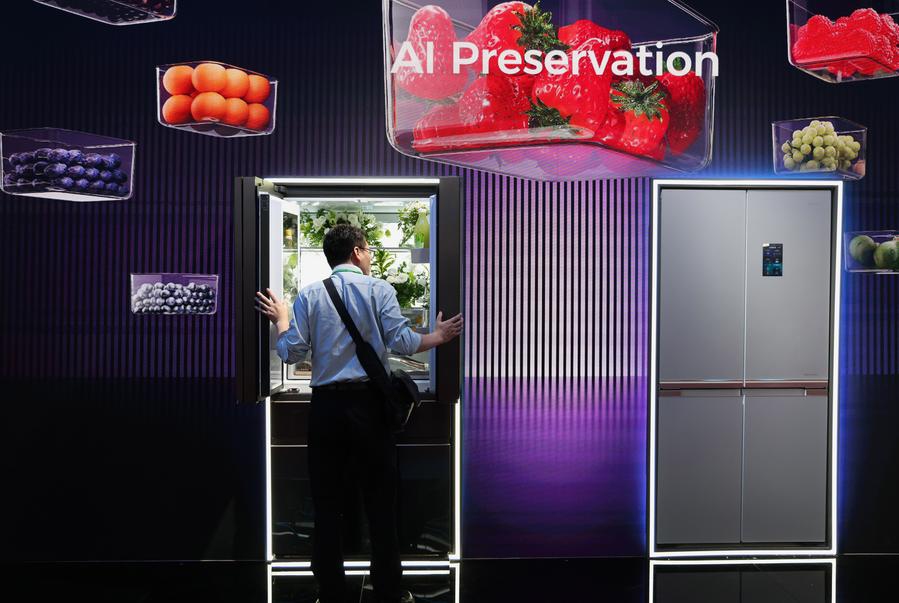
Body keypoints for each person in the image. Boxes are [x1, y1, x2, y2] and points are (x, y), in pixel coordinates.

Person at [255, 223, 463, 603]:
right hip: (369, 407)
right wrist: (439, 336)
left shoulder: (310, 294)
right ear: (356, 252)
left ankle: (330, 589)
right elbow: (402, 341)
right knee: (381, 500)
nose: (368, 256)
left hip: (327, 409)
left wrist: (280, 319)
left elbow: (291, 352)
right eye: (367, 250)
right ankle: (387, 588)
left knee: (326, 499)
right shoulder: (379, 288)